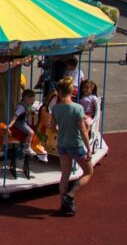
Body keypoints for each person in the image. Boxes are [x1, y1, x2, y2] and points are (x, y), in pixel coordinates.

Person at [50, 76, 93, 216]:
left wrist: (60, 132)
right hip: (75, 144)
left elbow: (52, 127)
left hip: (62, 144)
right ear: (71, 91)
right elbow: (83, 130)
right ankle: (70, 195)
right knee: (88, 172)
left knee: (65, 175)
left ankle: (64, 204)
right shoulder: (78, 108)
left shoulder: (56, 108)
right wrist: (89, 148)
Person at [8, 89, 38, 156]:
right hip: (19, 122)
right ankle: (26, 148)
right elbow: (15, 116)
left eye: (33, 100)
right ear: (25, 98)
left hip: (23, 121)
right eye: (31, 100)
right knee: (31, 132)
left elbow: (29, 111)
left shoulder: (27, 105)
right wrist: (10, 125)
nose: (33, 102)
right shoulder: (21, 107)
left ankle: (24, 145)